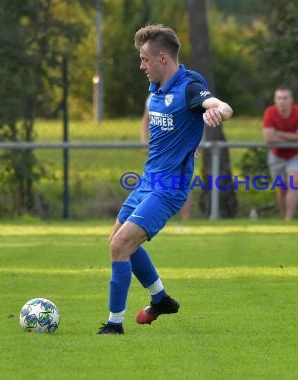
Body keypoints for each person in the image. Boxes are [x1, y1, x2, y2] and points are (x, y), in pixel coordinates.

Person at [97, 24, 233, 335]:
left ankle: (114, 325)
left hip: (169, 188)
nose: (141, 66)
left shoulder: (188, 85)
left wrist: (218, 113)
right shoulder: (156, 88)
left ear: (162, 57)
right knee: (117, 241)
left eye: (144, 59)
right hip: (147, 181)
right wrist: (190, 140)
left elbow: (218, 104)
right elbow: (179, 127)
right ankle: (161, 299)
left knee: (120, 245)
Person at [141, 94, 194, 221]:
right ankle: (151, 218)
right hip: (158, 151)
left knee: (182, 183)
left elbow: (198, 119)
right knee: (153, 183)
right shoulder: (153, 96)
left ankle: (185, 220)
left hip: (180, 149)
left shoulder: (186, 92)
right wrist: (143, 142)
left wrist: (197, 141)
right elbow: (145, 120)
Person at [263, 86, 298, 220]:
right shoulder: (270, 112)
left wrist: (278, 133)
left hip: (296, 155)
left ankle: (289, 219)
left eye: (285, 98)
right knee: (281, 188)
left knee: (293, 183)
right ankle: (284, 217)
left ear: (291, 100)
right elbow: (269, 138)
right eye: (279, 98)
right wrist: (291, 136)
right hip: (276, 155)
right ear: (275, 100)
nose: (282, 101)